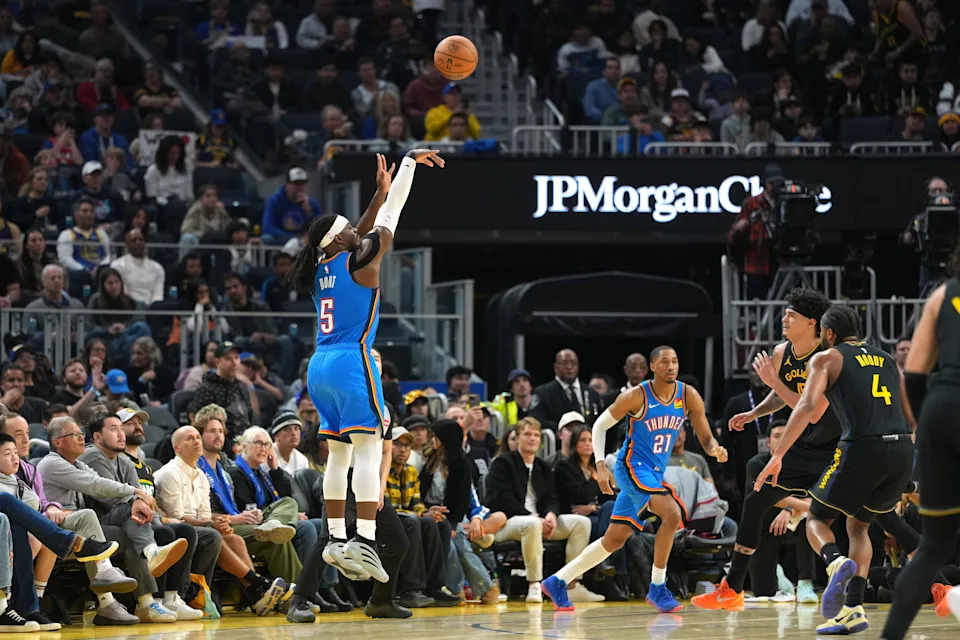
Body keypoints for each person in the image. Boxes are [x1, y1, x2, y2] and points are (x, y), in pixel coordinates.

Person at [288, 150, 443, 584]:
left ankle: (337, 536)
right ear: (341, 240)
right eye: (347, 230)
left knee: (338, 454)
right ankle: (368, 543)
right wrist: (407, 165)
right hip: (352, 360)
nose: (356, 231)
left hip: (318, 365)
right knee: (369, 450)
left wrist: (375, 193)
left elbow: (354, 230)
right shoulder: (363, 256)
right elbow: (391, 216)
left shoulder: (322, 264)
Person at [753, 306, 914, 634]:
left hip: (862, 447)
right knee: (859, 526)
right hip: (901, 447)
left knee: (816, 518)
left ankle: (835, 561)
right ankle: (853, 609)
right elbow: (910, 417)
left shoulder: (826, 358)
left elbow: (806, 406)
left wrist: (778, 454)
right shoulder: (887, 359)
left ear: (827, 333)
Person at [540, 345, 728, 612]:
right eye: (664, 361)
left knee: (614, 538)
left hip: (653, 472)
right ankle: (658, 587)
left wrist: (714, 449)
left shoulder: (688, 395)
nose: (671, 366)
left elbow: (706, 436)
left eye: (675, 361)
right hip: (631, 467)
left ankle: (558, 580)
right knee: (672, 514)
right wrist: (601, 464)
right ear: (652, 367)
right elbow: (600, 425)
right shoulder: (637, 396)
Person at [692, 288, 835, 611]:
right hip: (808, 446)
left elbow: (810, 410)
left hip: (837, 447)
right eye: (784, 313)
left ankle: (934, 579)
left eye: (791, 315)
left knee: (879, 515)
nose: (783, 319)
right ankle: (733, 587)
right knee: (756, 488)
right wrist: (755, 413)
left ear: (811, 323)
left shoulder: (826, 357)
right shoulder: (782, 353)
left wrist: (773, 382)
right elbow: (785, 396)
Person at [880, 250, 960, 639]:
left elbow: (913, 371)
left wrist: (924, 419)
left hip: (940, 409)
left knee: (932, 547)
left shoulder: (942, 296)